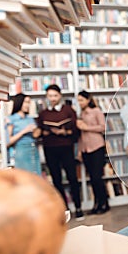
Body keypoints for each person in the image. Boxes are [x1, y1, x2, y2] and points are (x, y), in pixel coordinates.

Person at [33, 84, 84, 221]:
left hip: (66, 148)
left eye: (55, 95)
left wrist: (64, 132)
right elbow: (40, 130)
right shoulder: (43, 114)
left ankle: (78, 208)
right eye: (50, 96)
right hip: (50, 149)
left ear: (60, 96)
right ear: (47, 97)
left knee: (72, 178)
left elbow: (75, 131)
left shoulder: (68, 110)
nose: (53, 98)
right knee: (56, 180)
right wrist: (44, 131)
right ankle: (64, 209)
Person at [76, 90, 109, 214]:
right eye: (78, 100)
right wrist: (79, 151)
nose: (79, 103)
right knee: (92, 179)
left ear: (88, 100)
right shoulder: (80, 114)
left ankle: (104, 203)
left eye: (81, 100)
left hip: (97, 147)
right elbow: (80, 135)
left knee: (97, 177)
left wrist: (86, 127)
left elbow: (103, 127)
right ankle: (97, 204)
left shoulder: (96, 111)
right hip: (85, 149)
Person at [6, 93, 41, 176]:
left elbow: (35, 136)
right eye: (26, 102)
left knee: (37, 178)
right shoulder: (11, 119)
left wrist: (38, 131)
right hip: (22, 151)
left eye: (29, 102)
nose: (28, 105)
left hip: (33, 149)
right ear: (19, 102)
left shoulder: (30, 119)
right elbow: (8, 142)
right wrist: (24, 131)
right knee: (25, 178)